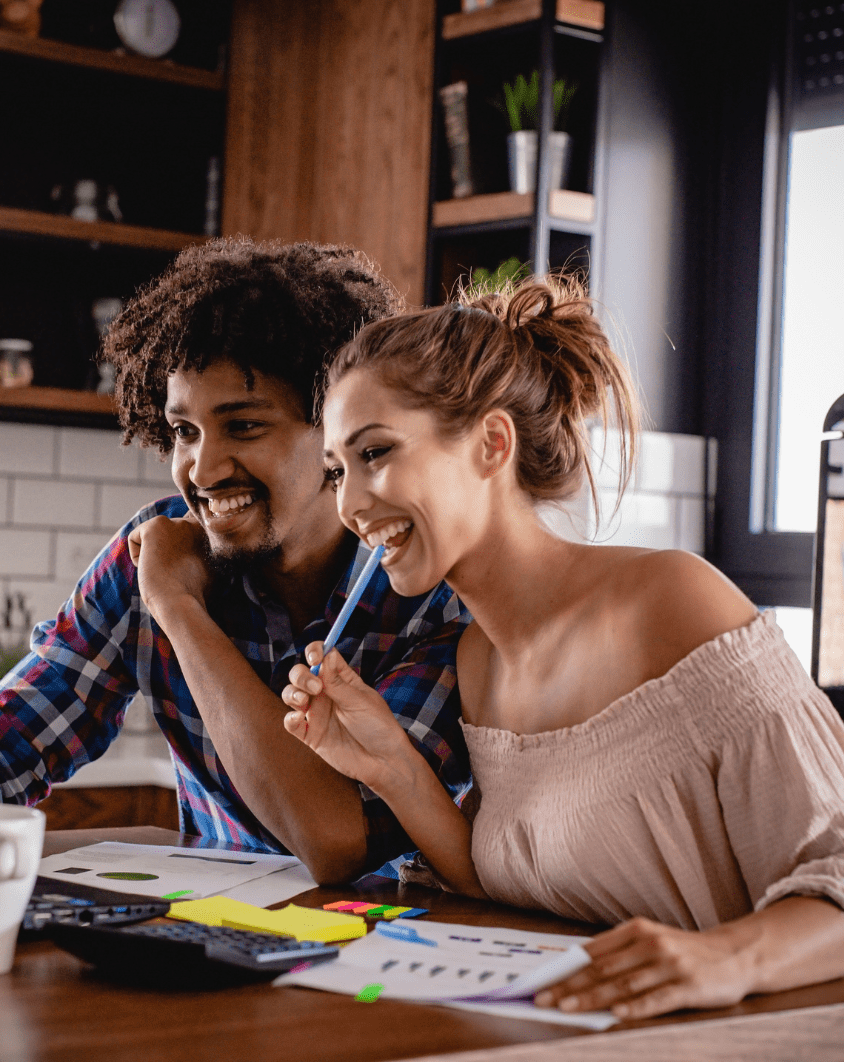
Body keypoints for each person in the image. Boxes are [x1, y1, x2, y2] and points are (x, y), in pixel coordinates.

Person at [281, 275, 844, 1017]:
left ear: (491, 444)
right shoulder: (478, 663)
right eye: (336, 471)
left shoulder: (671, 603)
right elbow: (518, 884)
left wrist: (724, 956)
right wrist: (393, 766)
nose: (350, 504)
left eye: (375, 452)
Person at [0, 238, 472, 884]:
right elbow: (6, 748)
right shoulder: (147, 557)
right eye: (184, 432)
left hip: (381, 951)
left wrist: (181, 611)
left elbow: (337, 840)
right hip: (210, 942)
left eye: (243, 426)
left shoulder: (424, 592)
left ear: (334, 434)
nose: (200, 470)